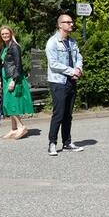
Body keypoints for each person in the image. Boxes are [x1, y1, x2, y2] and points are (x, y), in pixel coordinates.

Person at [45, 12, 84, 156]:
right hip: (58, 82)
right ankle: (52, 143)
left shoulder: (72, 42)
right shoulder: (52, 42)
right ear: (60, 24)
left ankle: (67, 142)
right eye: (68, 22)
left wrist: (78, 68)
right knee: (59, 113)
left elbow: (78, 56)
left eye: (72, 22)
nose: (71, 24)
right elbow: (53, 64)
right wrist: (71, 71)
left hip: (71, 81)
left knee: (68, 114)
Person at [0, 25, 33, 140]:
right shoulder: (5, 47)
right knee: (8, 103)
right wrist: (1, 81)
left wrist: (13, 80)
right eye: (3, 34)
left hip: (13, 78)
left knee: (10, 104)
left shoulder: (15, 47)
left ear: (11, 34)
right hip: (5, 78)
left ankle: (21, 126)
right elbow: (3, 65)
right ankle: (14, 129)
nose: (5, 36)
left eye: (7, 33)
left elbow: (18, 65)